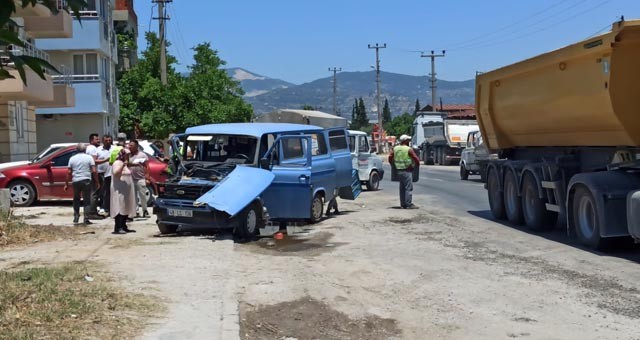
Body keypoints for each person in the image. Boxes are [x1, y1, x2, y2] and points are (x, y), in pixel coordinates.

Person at [64, 143, 100, 224]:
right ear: (85, 150)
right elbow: (94, 170)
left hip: (75, 180)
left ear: (77, 150)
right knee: (86, 200)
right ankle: (86, 218)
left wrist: (66, 183)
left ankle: (76, 216)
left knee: (76, 199)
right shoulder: (89, 158)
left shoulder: (72, 158)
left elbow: (69, 172)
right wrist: (97, 181)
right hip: (86, 180)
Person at [388, 135, 421, 209]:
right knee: (408, 188)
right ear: (405, 141)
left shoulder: (395, 148)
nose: (409, 142)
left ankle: (403, 204)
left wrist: (393, 165)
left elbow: (390, 157)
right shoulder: (408, 149)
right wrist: (417, 165)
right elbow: (415, 158)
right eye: (408, 140)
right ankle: (408, 204)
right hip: (407, 170)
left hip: (398, 171)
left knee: (402, 188)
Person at [110, 148, 137, 234]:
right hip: (119, 190)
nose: (128, 157)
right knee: (119, 206)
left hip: (126, 190)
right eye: (127, 155)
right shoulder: (117, 163)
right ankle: (118, 227)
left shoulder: (124, 164)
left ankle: (124, 226)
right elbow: (116, 173)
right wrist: (123, 165)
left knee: (125, 207)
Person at [128, 140, 151, 218]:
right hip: (131, 178)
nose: (130, 147)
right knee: (133, 196)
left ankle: (145, 210)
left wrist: (147, 177)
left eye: (131, 145)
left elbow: (147, 166)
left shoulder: (142, 155)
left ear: (136, 146)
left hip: (140, 178)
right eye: (129, 145)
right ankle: (136, 211)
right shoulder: (128, 155)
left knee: (143, 196)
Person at [85, 133, 105, 218]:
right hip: (93, 173)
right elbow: (94, 162)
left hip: (90, 173)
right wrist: (106, 160)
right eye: (96, 139)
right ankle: (92, 213)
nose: (99, 141)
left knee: (93, 192)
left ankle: (92, 211)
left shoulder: (89, 148)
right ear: (91, 140)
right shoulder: (92, 148)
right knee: (95, 193)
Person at [98, 135, 114, 216]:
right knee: (102, 192)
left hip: (112, 173)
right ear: (103, 141)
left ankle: (109, 208)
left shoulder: (114, 149)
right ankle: (103, 207)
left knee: (110, 192)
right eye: (106, 140)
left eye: (109, 140)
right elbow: (94, 161)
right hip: (101, 173)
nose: (108, 142)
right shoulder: (98, 150)